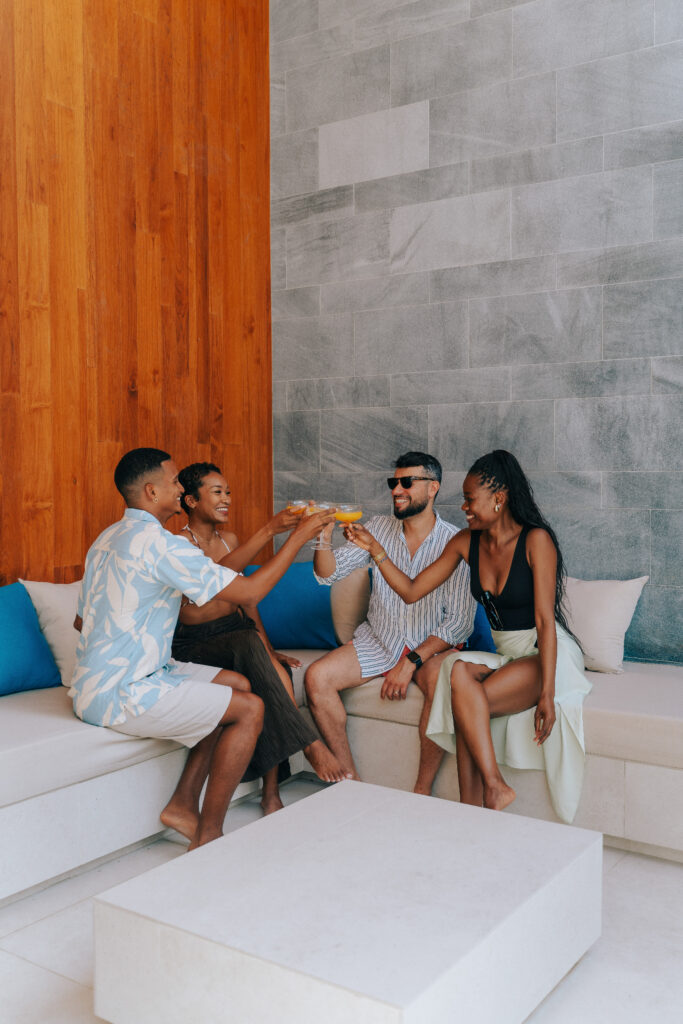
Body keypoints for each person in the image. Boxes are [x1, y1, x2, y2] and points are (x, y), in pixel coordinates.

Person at [69, 448, 335, 850]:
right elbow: (249, 590)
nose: (180, 487)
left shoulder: (108, 537)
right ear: (151, 491)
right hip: (121, 691)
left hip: (100, 681)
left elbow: (79, 622)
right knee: (250, 709)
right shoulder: (160, 544)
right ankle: (208, 834)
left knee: (236, 686)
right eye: (175, 481)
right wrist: (297, 537)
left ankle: (181, 804)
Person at [345, 449, 591, 824]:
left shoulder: (536, 540)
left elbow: (544, 621)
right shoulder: (465, 542)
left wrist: (547, 694)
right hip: (507, 653)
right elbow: (412, 590)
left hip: (544, 651)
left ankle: (473, 809)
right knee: (458, 674)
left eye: (469, 498)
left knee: (464, 704)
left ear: (499, 498)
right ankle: (490, 791)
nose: (463, 507)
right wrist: (376, 550)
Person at [171, 462, 349, 814]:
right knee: (252, 650)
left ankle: (271, 790)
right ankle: (310, 744)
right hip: (195, 642)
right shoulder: (177, 545)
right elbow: (214, 582)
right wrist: (271, 531)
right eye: (217, 492)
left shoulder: (231, 540)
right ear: (190, 500)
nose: (226, 499)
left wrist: (270, 651)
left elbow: (247, 601)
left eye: (229, 492)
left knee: (276, 675)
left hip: (237, 635)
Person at [305, 451, 475, 783]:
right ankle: (349, 780)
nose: (397, 490)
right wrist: (322, 535)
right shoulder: (377, 528)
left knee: (443, 685)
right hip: (380, 641)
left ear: (432, 488)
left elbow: (458, 623)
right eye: (393, 482)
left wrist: (411, 661)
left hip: (431, 649)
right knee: (317, 678)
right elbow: (328, 574)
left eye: (407, 482)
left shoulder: (455, 541)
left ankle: (422, 791)